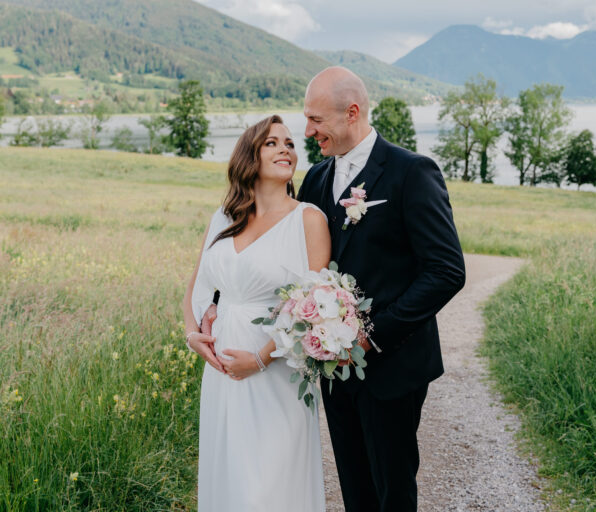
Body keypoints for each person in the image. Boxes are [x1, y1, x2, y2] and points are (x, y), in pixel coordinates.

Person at [297, 66, 466, 511]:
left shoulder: (411, 172)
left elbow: (446, 270)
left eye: (316, 119)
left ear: (351, 112)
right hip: (334, 368)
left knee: (391, 491)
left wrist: (373, 335)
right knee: (354, 487)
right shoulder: (315, 179)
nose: (308, 130)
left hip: (393, 366)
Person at [182, 115, 330, 512]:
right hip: (222, 371)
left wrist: (261, 360)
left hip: (276, 372)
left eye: (290, 143)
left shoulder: (309, 220)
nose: (286, 149)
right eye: (272, 143)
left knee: (267, 487)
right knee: (229, 477)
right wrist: (191, 333)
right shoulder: (224, 217)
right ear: (251, 155)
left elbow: (316, 309)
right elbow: (196, 287)